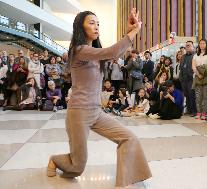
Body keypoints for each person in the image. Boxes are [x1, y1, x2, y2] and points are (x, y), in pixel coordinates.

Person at [47, 9, 151, 189]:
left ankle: (124, 182)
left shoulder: (94, 53)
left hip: (96, 111)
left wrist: (127, 32)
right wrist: (133, 32)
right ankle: (55, 160)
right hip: (78, 112)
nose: (96, 27)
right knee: (78, 166)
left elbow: (112, 53)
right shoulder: (78, 50)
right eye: (91, 23)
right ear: (81, 26)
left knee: (129, 138)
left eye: (98, 24)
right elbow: (111, 52)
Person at [192, 39, 207, 120]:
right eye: (200, 43)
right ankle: (199, 112)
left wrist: (203, 73)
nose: (202, 45)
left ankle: (204, 113)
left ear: (206, 44)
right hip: (197, 76)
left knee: (206, 96)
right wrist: (198, 74)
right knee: (198, 96)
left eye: (203, 43)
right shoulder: (196, 55)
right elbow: (193, 66)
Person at [179, 41, 197, 116]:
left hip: (191, 78)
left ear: (193, 47)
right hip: (184, 79)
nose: (187, 47)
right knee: (186, 95)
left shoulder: (195, 55)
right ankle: (189, 110)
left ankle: (194, 111)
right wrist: (181, 78)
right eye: (186, 46)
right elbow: (181, 68)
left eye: (189, 45)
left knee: (192, 95)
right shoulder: (183, 56)